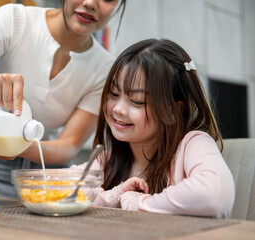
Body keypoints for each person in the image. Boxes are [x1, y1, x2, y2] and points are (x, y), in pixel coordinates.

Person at [0, 0, 126, 197]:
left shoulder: (104, 69)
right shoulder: (14, 20)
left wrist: (17, 146)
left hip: (52, 172)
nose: (91, 3)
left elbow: (68, 146)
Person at [71, 39, 235, 218]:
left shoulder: (193, 144)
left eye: (136, 101)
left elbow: (214, 194)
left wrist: (137, 203)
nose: (118, 108)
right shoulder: (107, 161)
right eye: (114, 94)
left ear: (172, 112)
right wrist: (114, 195)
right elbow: (52, 189)